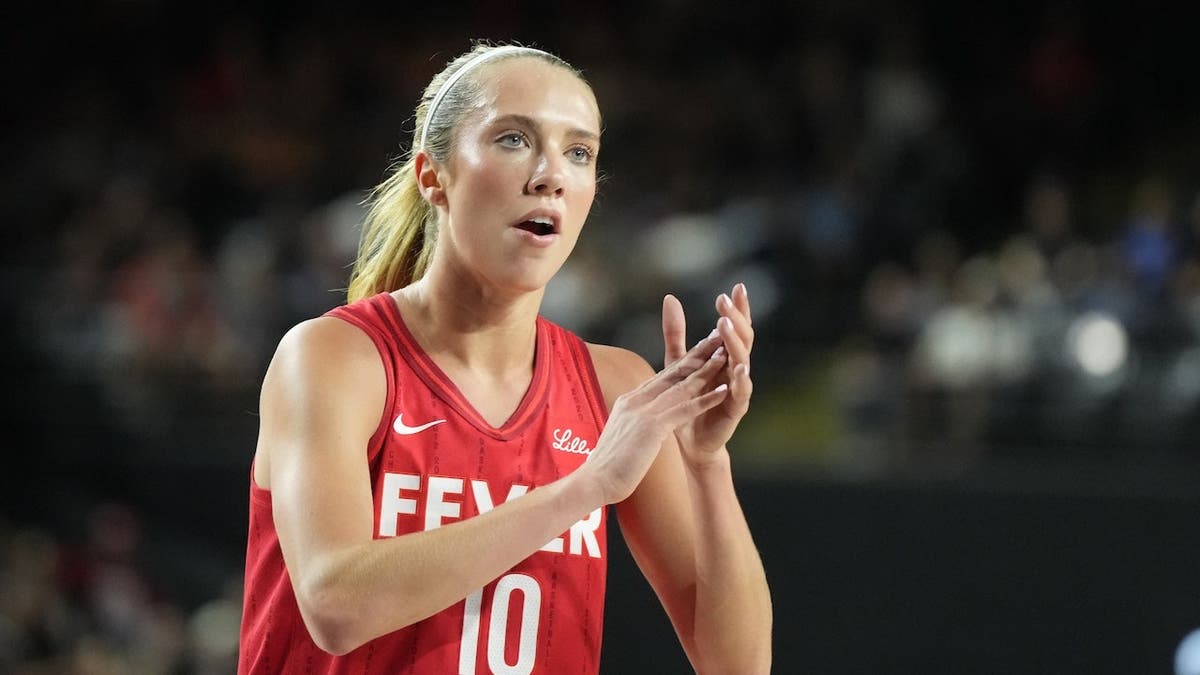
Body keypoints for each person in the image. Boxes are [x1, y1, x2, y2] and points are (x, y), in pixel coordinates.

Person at [237, 41, 772, 674]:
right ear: (433, 175)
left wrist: (709, 464)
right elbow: (336, 605)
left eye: (579, 152)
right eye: (514, 139)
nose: (550, 174)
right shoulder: (334, 357)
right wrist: (586, 487)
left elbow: (737, 666)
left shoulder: (614, 387)